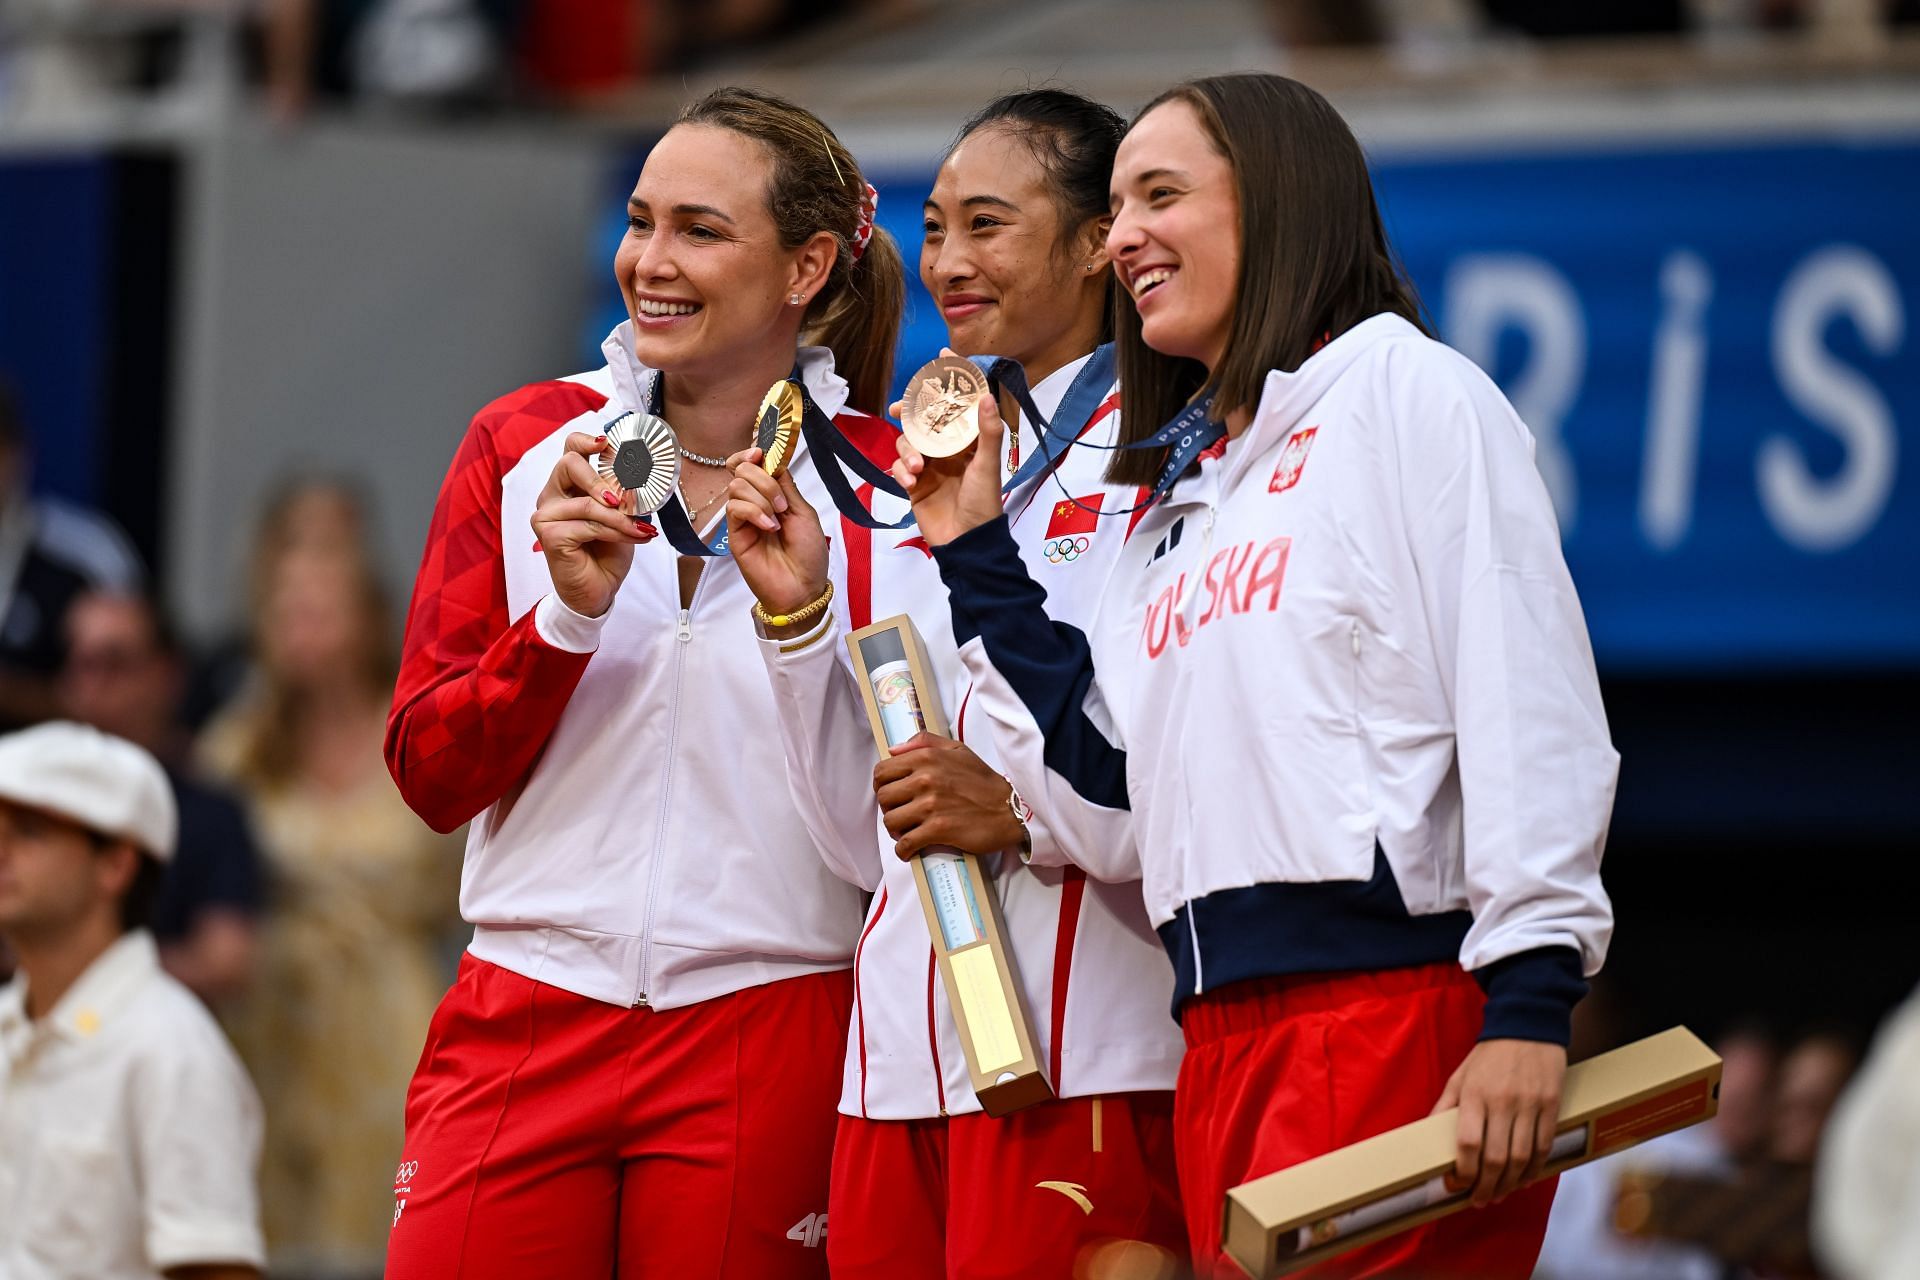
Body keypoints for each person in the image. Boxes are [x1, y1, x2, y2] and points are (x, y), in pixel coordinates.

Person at [893, 73, 1617, 1277]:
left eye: (1160, 195)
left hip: (1389, 1012)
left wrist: (1532, 1002)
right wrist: (977, 555)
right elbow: (1116, 797)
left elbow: (1526, 697)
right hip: (1216, 1037)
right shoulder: (1182, 484)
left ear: (1278, 200)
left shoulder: (1408, 389)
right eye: (1117, 206)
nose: (1123, 236)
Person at [381, 85, 905, 1279]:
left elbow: (893, 827)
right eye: (639, 219)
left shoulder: (891, 486)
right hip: (526, 1002)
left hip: (768, 1012)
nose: (648, 262)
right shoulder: (524, 442)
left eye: (700, 230)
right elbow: (429, 772)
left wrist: (800, 622)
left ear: (806, 266)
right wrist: (564, 618)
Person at [726, 89, 1187, 1278]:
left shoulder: (1168, 453)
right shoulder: (927, 459)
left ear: (1098, 244)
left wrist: (1026, 814)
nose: (949, 262)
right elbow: (859, 834)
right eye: (935, 228)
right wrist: (794, 622)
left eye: (989, 225)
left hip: (1088, 1049)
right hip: (895, 1059)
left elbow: (1166, 762)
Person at [198, 479, 461, 1277]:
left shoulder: (418, 731)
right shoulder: (236, 750)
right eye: (285, 610)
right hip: (272, 1027)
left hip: (393, 1026)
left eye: (319, 607)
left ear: (366, 617)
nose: (299, 627)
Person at [0, 720, 265, 1280]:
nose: (1, 851)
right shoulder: (7, 1026)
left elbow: (216, 1268)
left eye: (28, 830)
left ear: (115, 864)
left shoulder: (171, 1051)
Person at [61, 589, 264, 1006]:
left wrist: (69, 962)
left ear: (168, 674)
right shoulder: (35, 803)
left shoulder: (212, 814)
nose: (92, 685)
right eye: (81, 664)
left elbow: (225, 963)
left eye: (114, 663)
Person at [0, 379, 145, 731]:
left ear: (18, 452)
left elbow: (136, 693)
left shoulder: (86, 557)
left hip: (58, 774)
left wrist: (16, 695)